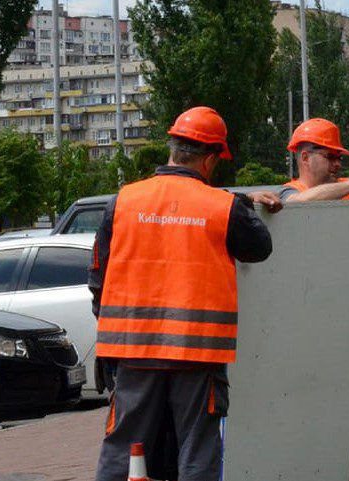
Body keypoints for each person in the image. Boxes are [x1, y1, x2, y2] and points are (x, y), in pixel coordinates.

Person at [89, 106, 283, 481]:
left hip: (132, 351)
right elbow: (260, 247)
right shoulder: (222, 207)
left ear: (172, 148)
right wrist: (240, 202)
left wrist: (114, 326)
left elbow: (98, 274)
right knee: (197, 450)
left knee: (123, 444)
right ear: (210, 160)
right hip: (198, 354)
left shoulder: (124, 201)